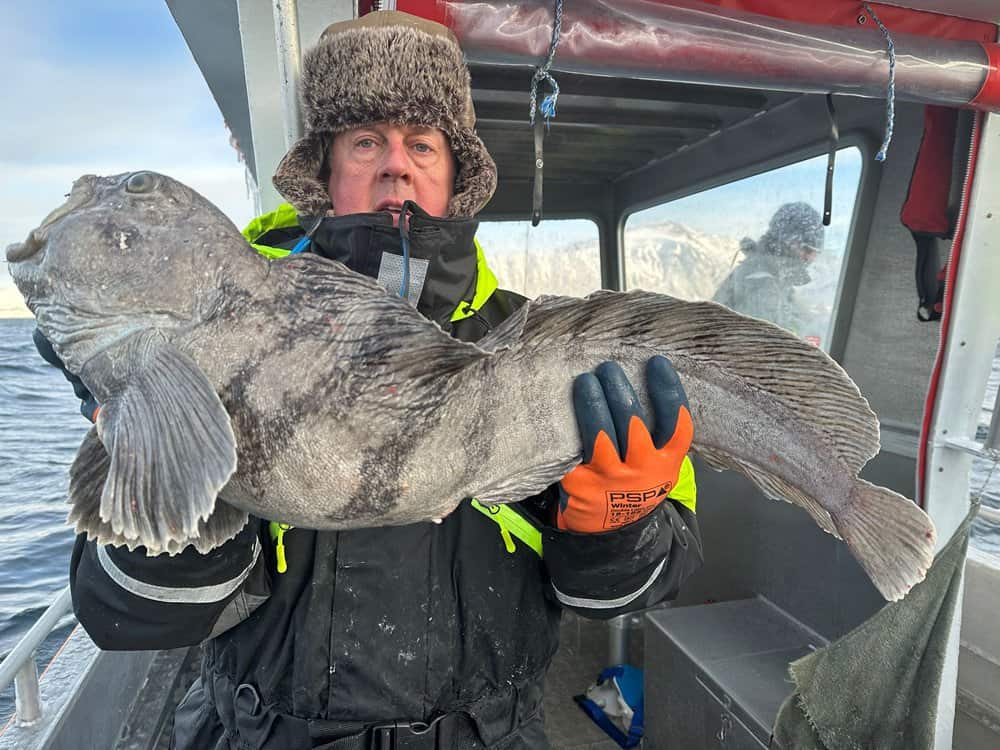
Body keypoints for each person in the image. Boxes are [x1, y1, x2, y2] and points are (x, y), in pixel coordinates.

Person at [42, 11, 703, 749]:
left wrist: (618, 525)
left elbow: (621, 598)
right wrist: (158, 450)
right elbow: (131, 615)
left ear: (457, 177)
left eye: (422, 143)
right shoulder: (203, 339)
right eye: (366, 141)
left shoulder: (543, 351)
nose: (397, 164)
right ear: (324, 173)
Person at [713, 201, 824, 335]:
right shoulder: (760, 284)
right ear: (784, 241)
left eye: (815, 252)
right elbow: (766, 350)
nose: (810, 258)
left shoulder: (774, 280)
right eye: (806, 249)